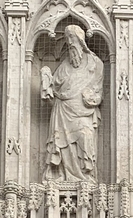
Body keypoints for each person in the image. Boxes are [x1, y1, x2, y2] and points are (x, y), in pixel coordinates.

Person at [41, 25, 104, 182]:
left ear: (82, 43)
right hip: (62, 111)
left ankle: (86, 176)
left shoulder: (95, 64)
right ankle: (65, 175)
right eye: (68, 45)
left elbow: (98, 91)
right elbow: (53, 88)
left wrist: (93, 98)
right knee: (63, 145)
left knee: (85, 136)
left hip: (84, 112)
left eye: (73, 42)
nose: (71, 47)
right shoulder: (64, 67)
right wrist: (46, 78)